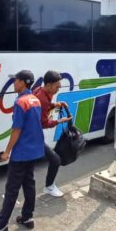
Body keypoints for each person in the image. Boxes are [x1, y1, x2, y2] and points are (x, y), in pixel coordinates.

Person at [0, 70, 45, 231]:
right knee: (29, 183)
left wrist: (6, 152)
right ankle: (27, 217)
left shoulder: (20, 102)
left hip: (21, 152)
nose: (13, 84)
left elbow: (16, 130)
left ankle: (1, 226)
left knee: (12, 189)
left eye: (15, 81)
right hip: (33, 150)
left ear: (23, 82)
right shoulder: (35, 100)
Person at [32, 70, 72, 198]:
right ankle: (49, 187)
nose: (58, 89)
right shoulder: (42, 98)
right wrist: (60, 121)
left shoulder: (40, 90)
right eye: (57, 87)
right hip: (33, 136)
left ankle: (11, 192)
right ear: (49, 85)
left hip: (32, 134)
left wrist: (56, 104)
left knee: (24, 167)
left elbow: (45, 106)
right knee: (55, 160)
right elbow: (44, 123)